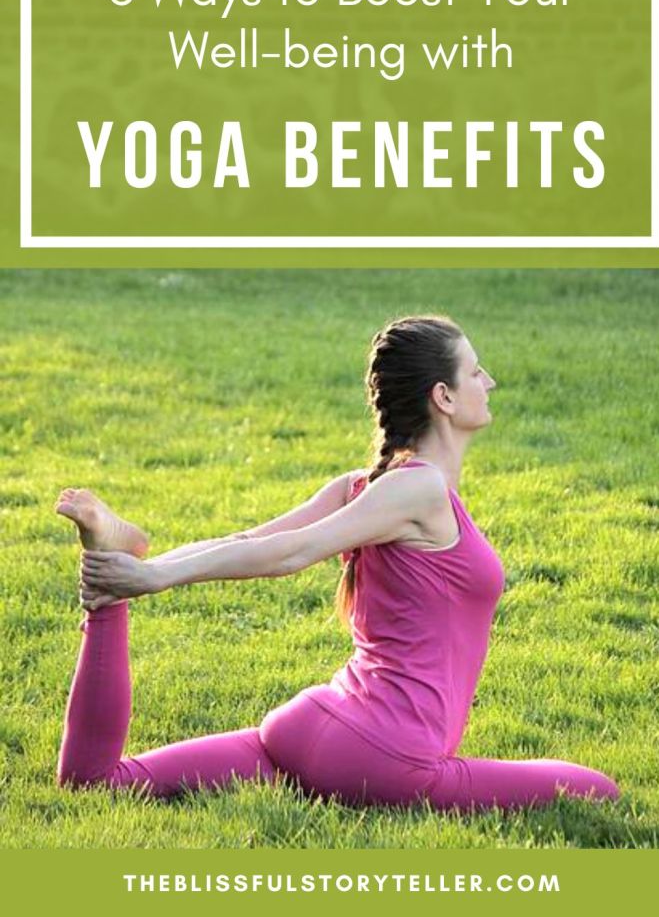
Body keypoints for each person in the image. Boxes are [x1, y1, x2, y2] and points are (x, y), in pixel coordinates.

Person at [55, 315, 619, 811]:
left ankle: (110, 587)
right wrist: (153, 575)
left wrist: (131, 574)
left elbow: (250, 537)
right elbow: (294, 550)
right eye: (476, 372)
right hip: (387, 758)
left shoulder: (366, 486)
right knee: (594, 787)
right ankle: (121, 576)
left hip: (307, 727)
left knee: (100, 783)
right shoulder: (417, 491)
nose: (489, 382)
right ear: (443, 397)